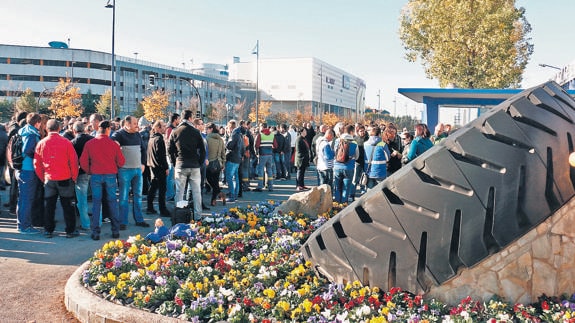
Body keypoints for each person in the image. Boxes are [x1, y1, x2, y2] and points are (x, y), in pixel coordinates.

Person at [34, 119, 79, 238]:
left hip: (49, 178)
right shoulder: (66, 142)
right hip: (65, 177)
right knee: (68, 206)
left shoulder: (41, 143)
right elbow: (73, 162)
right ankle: (70, 230)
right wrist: (74, 177)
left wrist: (43, 178)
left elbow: (36, 164)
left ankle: (48, 230)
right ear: (59, 128)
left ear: (46, 129)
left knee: (49, 206)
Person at [80, 120, 125, 241]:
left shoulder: (90, 143)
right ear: (108, 129)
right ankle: (115, 230)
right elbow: (121, 162)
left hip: (96, 175)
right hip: (110, 175)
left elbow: (83, 161)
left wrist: (90, 170)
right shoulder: (113, 144)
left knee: (96, 204)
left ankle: (95, 232)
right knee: (112, 203)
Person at [111, 115, 150, 229]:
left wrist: (143, 163)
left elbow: (143, 150)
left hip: (138, 170)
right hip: (124, 171)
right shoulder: (119, 134)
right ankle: (123, 221)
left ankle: (139, 219)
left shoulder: (137, 134)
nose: (137, 125)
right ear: (127, 124)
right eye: (134, 123)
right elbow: (111, 141)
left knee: (138, 196)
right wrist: (115, 143)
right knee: (123, 197)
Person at [168, 110, 206, 219]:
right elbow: (202, 150)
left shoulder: (175, 131)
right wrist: (199, 162)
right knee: (196, 192)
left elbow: (170, 150)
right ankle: (198, 216)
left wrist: (174, 162)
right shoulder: (195, 132)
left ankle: (179, 215)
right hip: (194, 165)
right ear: (190, 118)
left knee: (179, 192)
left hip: (180, 164)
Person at [16, 113, 43, 234]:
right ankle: (25, 226)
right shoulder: (32, 134)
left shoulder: (23, 130)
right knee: (27, 198)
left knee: (22, 198)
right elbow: (27, 150)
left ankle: (22, 223)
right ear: (37, 122)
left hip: (21, 168)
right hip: (28, 169)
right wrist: (38, 155)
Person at [71, 121, 94, 231]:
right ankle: (98, 222)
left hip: (80, 172)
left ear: (74, 131)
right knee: (97, 198)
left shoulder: (72, 142)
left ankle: (85, 224)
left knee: (82, 200)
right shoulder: (92, 140)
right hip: (93, 171)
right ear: (84, 129)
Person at [146, 120, 170, 217]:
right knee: (162, 190)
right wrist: (166, 167)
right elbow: (162, 156)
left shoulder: (152, 138)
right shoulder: (159, 139)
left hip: (152, 166)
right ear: (158, 128)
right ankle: (163, 210)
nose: (165, 128)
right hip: (159, 167)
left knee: (153, 187)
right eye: (163, 126)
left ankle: (150, 207)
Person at [333, 124, 359, 203]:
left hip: (337, 167)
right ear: (351, 132)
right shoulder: (354, 143)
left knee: (337, 188)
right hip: (349, 167)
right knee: (346, 189)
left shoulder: (337, 140)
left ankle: (336, 205)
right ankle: (343, 206)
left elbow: (334, 152)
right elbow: (357, 156)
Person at [205, 122, 226, 206]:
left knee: (209, 180)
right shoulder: (220, 139)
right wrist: (223, 163)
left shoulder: (207, 139)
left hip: (209, 163)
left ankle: (219, 194)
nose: (206, 131)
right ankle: (214, 199)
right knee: (216, 181)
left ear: (210, 129)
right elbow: (223, 153)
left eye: (207, 129)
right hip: (218, 163)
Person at [224, 119, 244, 203]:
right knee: (236, 177)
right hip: (238, 158)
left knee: (229, 177)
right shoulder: (240, 134)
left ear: (230, 127)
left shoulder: (234, 134)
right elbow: (243, 147)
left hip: (232, 157)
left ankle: (232, 195)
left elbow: (229, 146)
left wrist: (226, 143)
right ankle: (235, 194)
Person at [254, 123, 277, 192]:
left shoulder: (260, 135)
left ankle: (260, 186)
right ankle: (270, 186)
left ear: (262, 127)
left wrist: (256, 152)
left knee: (261, 170)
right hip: (270, 155)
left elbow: (256, 145)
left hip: (262, 155)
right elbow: (276, 145)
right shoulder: (272, 135)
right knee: (269, 170)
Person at [164, 113, 180, 202]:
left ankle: (171, 194)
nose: (179, 120)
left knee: (172, 177)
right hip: (171, 156)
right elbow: (169, 143)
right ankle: (170, 195)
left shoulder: (172, 128)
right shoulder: (170, 129)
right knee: (171, 177)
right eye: (178, 119)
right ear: (175, 120)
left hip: (172, 155)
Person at [294, 127, 311, 191]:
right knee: (299, 172)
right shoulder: (299, 139)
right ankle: (298, 185)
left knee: (303, 172)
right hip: (300, 159)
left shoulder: (304, 139)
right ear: (301, 132)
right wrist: (303, 156)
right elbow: (298, 150)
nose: (306, 132)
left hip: (305, 158)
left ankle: (302, 185)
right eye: (304, 131)